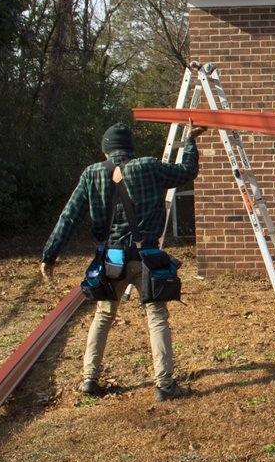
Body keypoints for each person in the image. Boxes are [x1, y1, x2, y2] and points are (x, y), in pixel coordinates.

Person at [40, 122, 207, 402]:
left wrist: (49, 255)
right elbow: (188, 172)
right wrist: (189, 141)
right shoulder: (149, 167)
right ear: (131, 148)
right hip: (147, 259)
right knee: (157, 318)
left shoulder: (92, 174)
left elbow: (69, 217)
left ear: (106, 151)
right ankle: (165, 386)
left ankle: (89, 380)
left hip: (111, 261)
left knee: (104, 316)